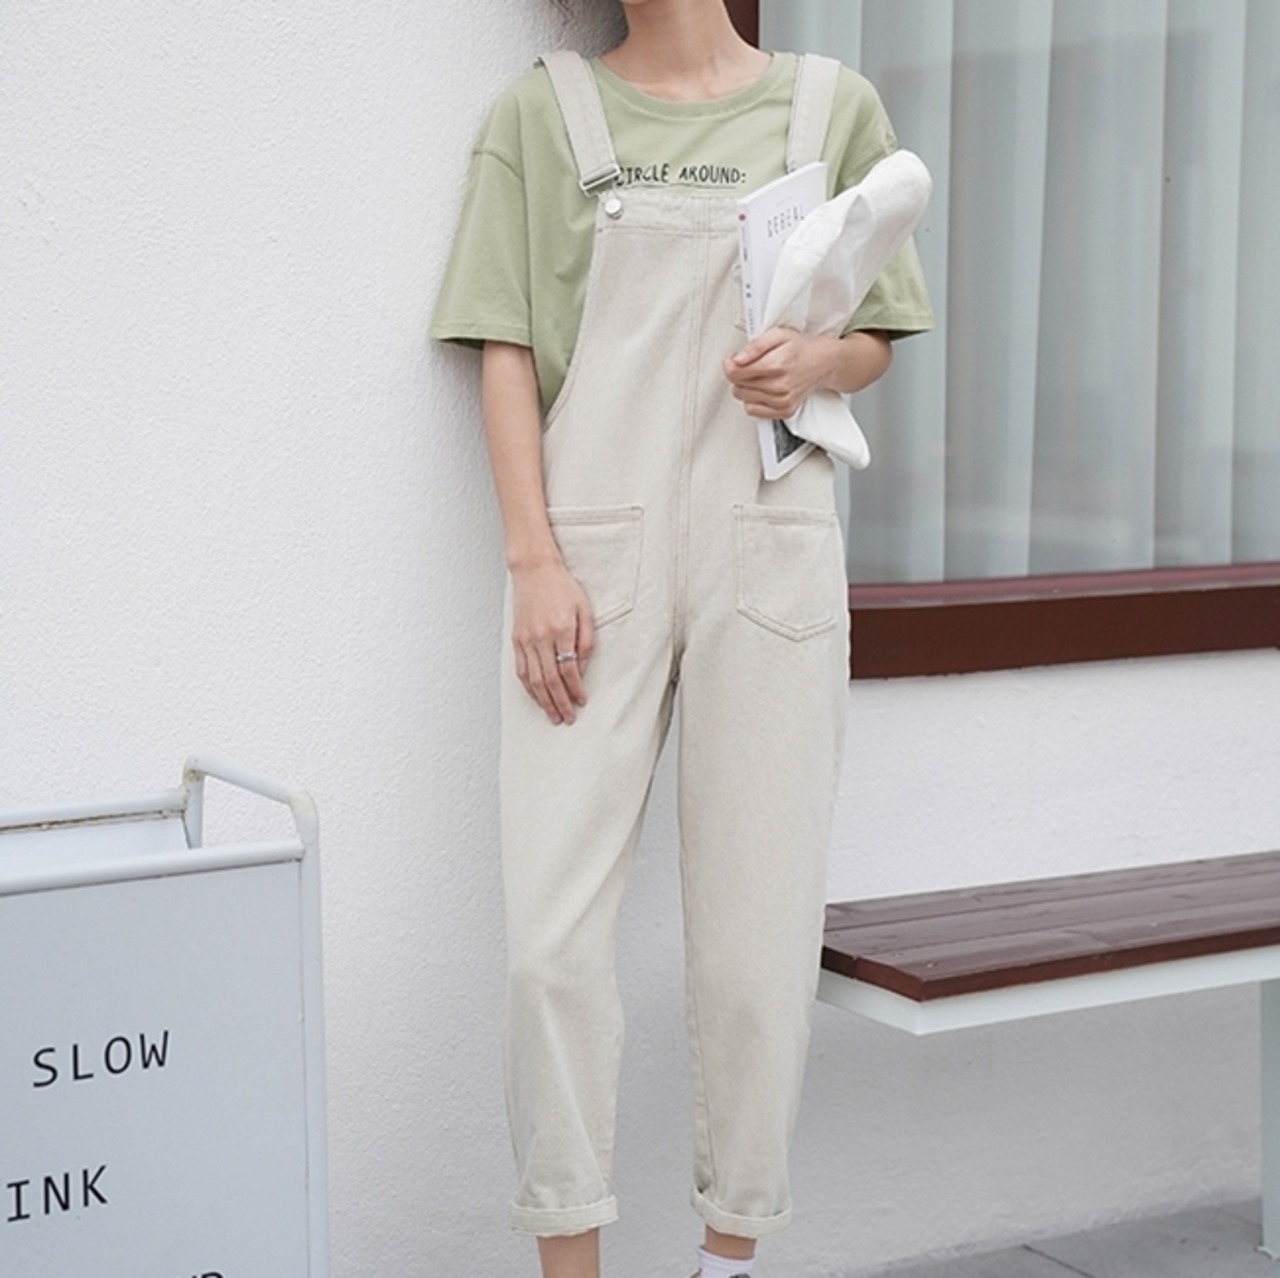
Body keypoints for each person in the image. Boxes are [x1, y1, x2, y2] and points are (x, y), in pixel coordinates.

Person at [432, 2, 932, 1275]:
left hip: (769, 547)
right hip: (587, 561)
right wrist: (532, 558)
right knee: (548, 948)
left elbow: (877, 335)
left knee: (758, 941)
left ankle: (726, 1259)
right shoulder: (542, 116)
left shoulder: (828, 108)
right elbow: (502, 346)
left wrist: (813, 362)